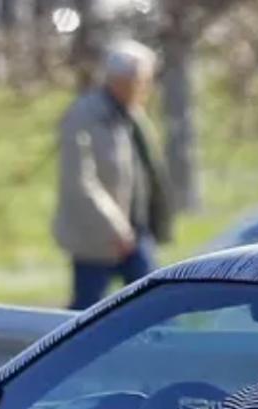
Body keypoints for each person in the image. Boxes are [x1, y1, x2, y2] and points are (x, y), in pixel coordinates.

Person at [52, 39, 174, 311]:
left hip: (136, 232)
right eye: (141, 81)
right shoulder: (84, 115)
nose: (147, 88)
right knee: (86, 311)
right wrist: (115, 227)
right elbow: (80, 180)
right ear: (121, 81)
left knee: (155, 305)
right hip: (97, 238)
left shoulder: (133, 115)